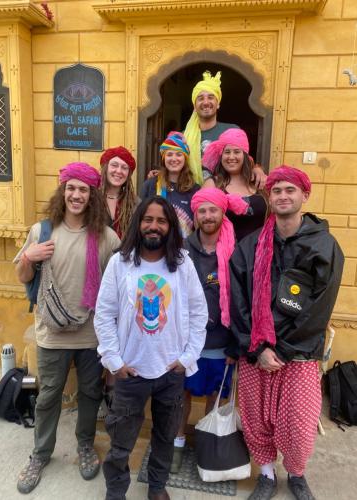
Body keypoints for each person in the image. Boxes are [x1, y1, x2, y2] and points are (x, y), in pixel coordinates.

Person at [229, 166, 344, 500]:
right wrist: (258, 348)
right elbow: (238, 300)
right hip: (256, 352)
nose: (282, 196)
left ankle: (296, 473)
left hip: (299, 355)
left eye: (289, 190)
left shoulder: (324, 245)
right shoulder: (251, 245)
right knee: (255, 419)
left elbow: (320, 307)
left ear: (304, 196)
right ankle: (266, 475)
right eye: (276, 190)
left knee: (297, 423)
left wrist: (285, 350)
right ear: (270, 197)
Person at [14, 162, 120, 495]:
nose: (76, 195)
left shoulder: (105, 236)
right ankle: (40, 454)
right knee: (48, 398)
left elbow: (117, 287)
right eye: (71, 188)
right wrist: (28, 257)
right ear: (63, 191)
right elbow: (23, 278)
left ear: (92, 195)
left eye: (83, 190)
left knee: (90, 395)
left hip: (91, 337)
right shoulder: (41, 231)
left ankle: (85, 446)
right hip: (52, 336)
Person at [94, 196, 208, 500]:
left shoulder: (182, 264)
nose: (154, 226)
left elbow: (199, 312)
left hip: (171, 371)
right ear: (138, 223)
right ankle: (116, 492)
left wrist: (188, 357)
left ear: (170, 226)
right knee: (120, 441)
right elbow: (104, 313)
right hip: (130, 371)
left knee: (165, 436)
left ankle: (157, 488)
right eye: (148, 219)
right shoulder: (121, 262)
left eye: (161, 220)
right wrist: (114, 361)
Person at [170, 187, 249, 473]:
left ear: (222, 212)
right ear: (195, 214)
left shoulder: (236, 251)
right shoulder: (181, 249)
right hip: (186, 340)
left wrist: (236, 344)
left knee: (217, 397)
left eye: (212, 209)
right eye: (201, 210)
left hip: (221, 341)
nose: (207, 215)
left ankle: (207, 445)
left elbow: (243, 298)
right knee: (181, 396)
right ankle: (178, 443)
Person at [183, 70, 266, 187]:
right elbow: (175, 163)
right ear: (195, 106)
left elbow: (245, 160)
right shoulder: (184, 136)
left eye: (211, 97)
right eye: (200, 98)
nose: (206, 102)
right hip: (190, 193)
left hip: (225, 192)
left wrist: (257, 169)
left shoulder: (232, 130)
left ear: (218, 104)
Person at [203, 127, 267, 241]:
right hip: (227, 255)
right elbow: (201, 223)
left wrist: (257, 168)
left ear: (245, 155)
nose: (231, 157)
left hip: (258, 254)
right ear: (221, 156)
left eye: (237, 152)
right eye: (227, 152)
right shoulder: (212, 184)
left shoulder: (259, 181)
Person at [141, 131, 200, 238]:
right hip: (156, 245)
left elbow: (198, 226)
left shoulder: (195, 189)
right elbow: (141, 218)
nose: (174, 159)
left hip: (185, 248)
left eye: (179, 154)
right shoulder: (150, 185)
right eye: (169, 154)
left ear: (185, 158)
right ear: (164, 159)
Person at [100, 146, 140, 239]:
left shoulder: (135, 203)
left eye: (124, 167)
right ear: (105, 168)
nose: (119, 171)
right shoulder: (92, 199)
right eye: (114, 165)